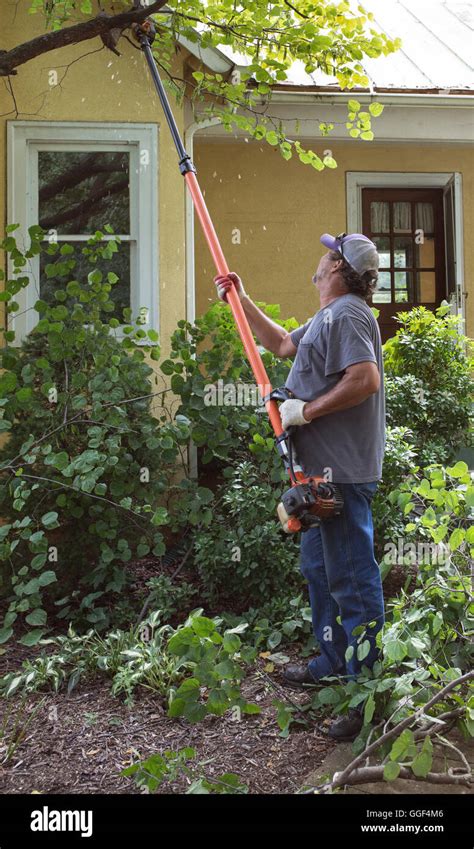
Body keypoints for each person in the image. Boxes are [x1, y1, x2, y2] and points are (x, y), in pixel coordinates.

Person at [214, 232, 385, 742]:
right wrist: (240, 299)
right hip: (313, 476)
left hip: (342, 476)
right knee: (319, 569)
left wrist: (304, 410)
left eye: (327, 252)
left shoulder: (351, 313)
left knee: (352, 581)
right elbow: (284, 345)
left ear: (337, 266)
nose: (319, 258)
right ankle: (334, 661)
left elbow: (365, 379)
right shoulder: (327, 318)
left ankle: (367, 696)